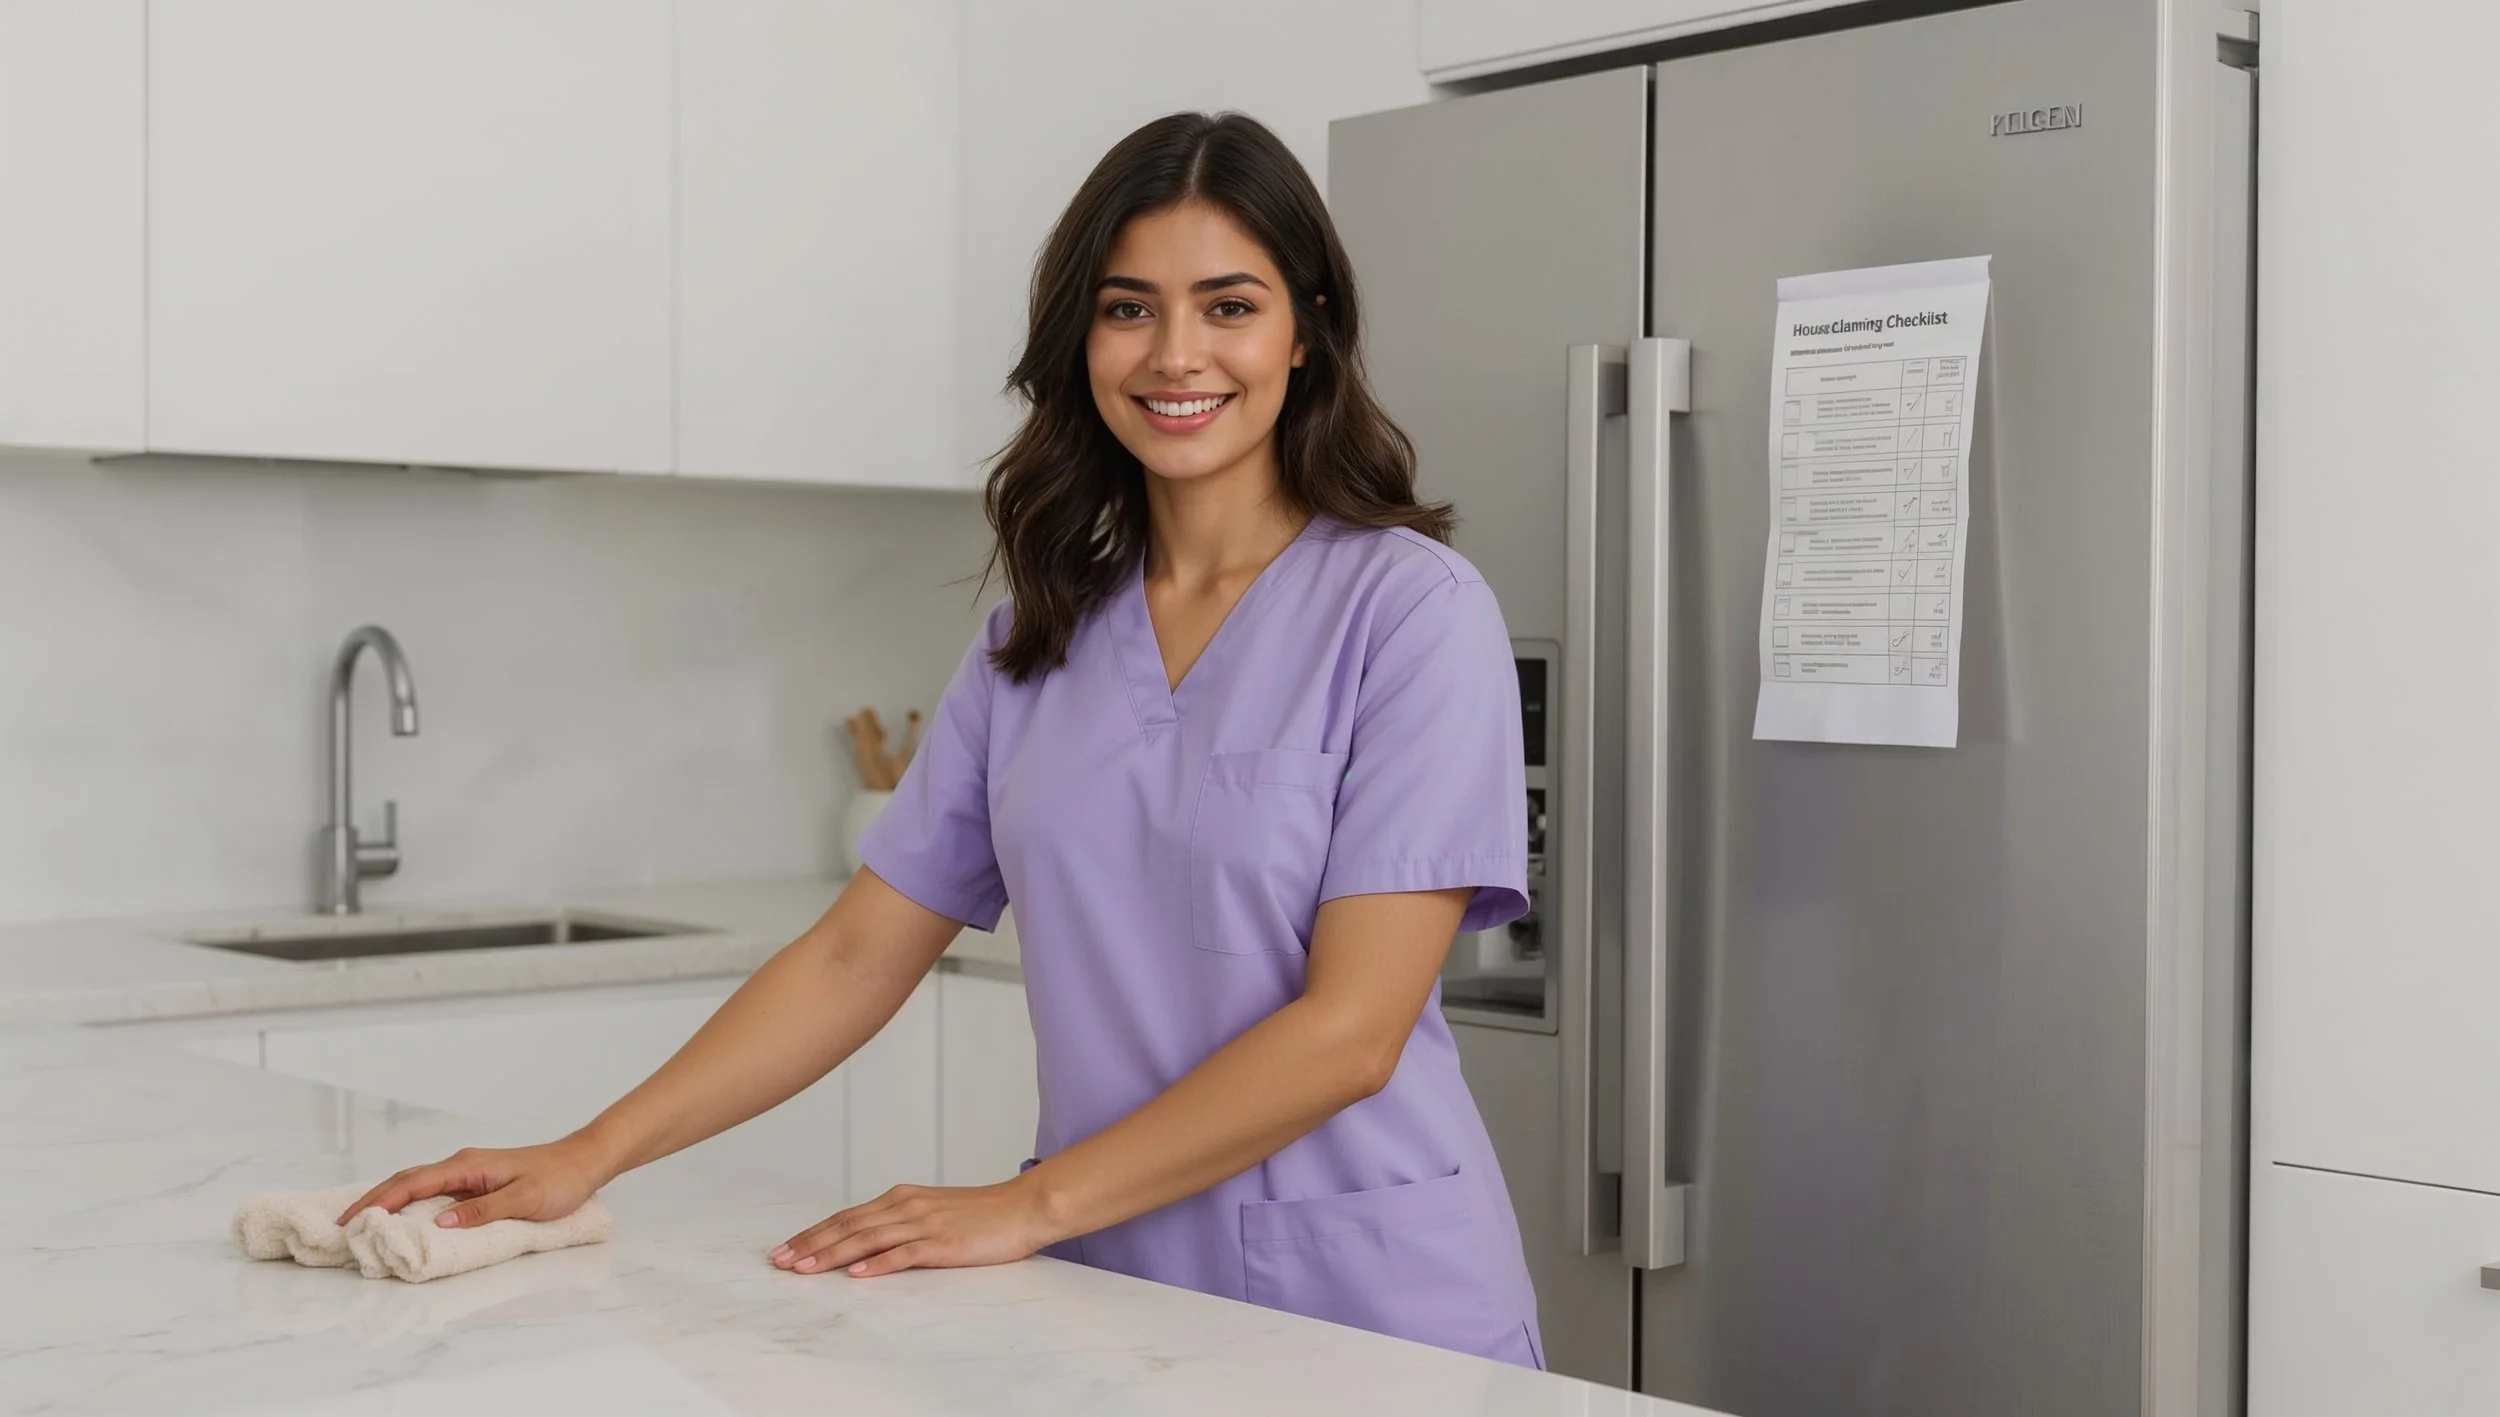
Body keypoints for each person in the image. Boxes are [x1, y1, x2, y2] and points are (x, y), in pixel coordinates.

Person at [337, 111, 1543, 1370]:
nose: (1176, 353)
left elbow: (1351, 1032)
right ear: (1080, 337)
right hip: (1110, 1292)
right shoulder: (1043, 630)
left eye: (1227, 305)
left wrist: (1022, 1203)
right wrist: (586, 1154)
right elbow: (859, 953)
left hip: (1369, 1312)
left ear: (1305, 332)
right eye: (1128, 308)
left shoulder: (1409, 612)